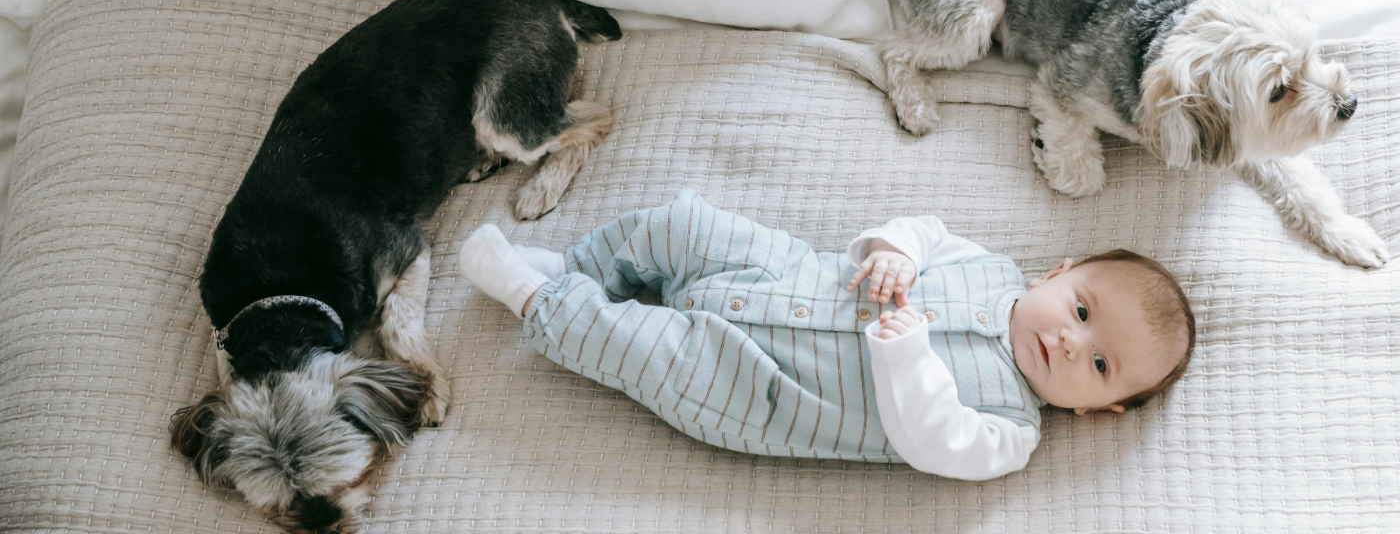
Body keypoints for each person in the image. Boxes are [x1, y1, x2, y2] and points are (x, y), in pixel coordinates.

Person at [458, 189, 1195, 479]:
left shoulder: (1008, 434)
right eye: (1082, 310)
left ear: (1099, 410)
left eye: (1100, 364)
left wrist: (907, 353)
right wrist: (896, 252)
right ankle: (579, 266)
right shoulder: (992, 267)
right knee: (683, 224)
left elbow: (930, 440)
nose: (1070, 342)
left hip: (754, 386)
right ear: (1054, 274)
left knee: (640, 351)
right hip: (786, 273)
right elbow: (925, 230)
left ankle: (537, 299)